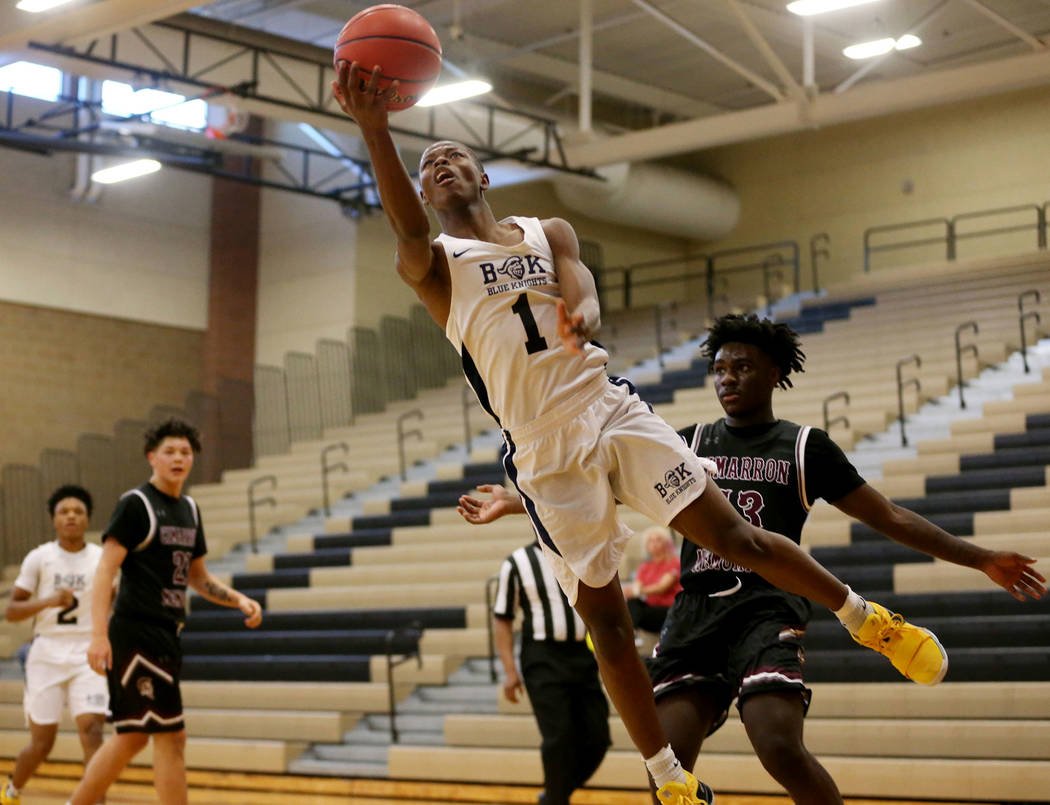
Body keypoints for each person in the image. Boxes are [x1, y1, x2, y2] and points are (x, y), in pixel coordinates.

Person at [337, 62, 948, 805]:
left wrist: (586, 310)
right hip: (542, 449)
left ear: (484, 173)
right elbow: (402, 223)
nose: (439, 165)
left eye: (452, 156)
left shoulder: (545, 226)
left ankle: (865, 618)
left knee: (739, 539)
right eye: (428, 166)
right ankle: (670, 779)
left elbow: (578, 276)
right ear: (426, 194)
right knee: (609, 623)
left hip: (607, 404)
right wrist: (375, 127)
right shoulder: (433, 264)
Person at [645, 313, 1046, 805]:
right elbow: (610, 486)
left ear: (774, 373)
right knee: (668, 774)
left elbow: (891, 517)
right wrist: (524, 498)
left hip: (767, 608)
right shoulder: (684, 442)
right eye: (721, 368)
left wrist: (981, 558)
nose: (727, 378)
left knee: (779, 748)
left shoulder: (804, 446)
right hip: (694, 614)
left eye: (743, 367)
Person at [66, 419, 263, 805]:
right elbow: (106, 569)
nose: (178, 458)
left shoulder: (189, 509)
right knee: (165, 736)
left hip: (167, 635)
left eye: (185, 452)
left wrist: (237, 598)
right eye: (170, 451)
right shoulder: (136, 505)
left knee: (136, 737)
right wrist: (98, 635)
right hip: (135, 634)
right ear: (152, 457)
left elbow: (197, 576)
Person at [3, 486, 107, 805]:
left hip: (88, 651)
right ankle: (12, 790)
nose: (72, 516)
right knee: (42, 744)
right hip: (46, 652)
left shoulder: (101, 558)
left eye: (78, 511)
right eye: (64, 512)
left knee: (92, 732)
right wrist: (48, 601)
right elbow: (11, 611)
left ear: (88, 518)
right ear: (54, 520)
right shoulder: (40, 557)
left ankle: (92, 801)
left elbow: (114, 602)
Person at [492, 538, 611, 805]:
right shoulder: (516, 562)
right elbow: (502, 620)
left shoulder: (580, 554)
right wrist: (510, 672)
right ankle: (557, 798)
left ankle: (555, 796)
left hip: (582, 655)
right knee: (559, 737)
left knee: (598, 737)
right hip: (542, 657)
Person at [625, 527, 682, 635]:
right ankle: (631, 633)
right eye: (651, 541)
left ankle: (631, 633)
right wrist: (631, 591)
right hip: (650, 609)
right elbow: (637, 586)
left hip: (668, 610)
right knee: (632, 602)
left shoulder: (674, 563)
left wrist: (636, 591)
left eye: (658, 540)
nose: (654, 543)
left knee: (637, 611)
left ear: (666, 543)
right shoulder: (645, 566)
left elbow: (662, 587)